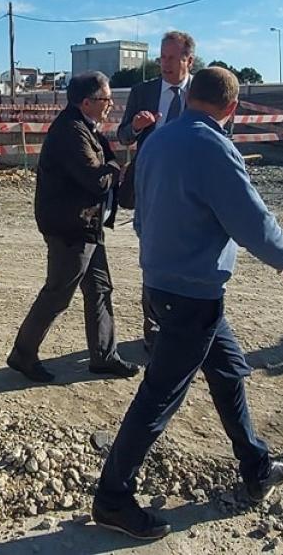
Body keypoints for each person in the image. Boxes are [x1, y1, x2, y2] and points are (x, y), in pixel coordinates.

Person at [93, 66, 283, 540]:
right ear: (231, 108)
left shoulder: (158, 140)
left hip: (167, 286)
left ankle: (256, 468)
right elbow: (252, 219)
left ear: (189, 99)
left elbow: (139, 211)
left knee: (228, 370)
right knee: (159, 397)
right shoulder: (215, 148)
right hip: (192, 294)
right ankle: (112, 498)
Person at [7, 71, 139, 383]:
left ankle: (104, 356)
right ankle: (23, 354)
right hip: (70, 228)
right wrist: (114, 169)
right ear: (87, 102)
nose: (109, 105)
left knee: (100, 289)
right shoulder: (71, 131)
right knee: (57, 294)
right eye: (105, 99)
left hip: (86, 224)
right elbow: (95, 180)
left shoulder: (85, 127)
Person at [117, 30, 196, 350]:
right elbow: (123, 137)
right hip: (151, 191)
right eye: (161, 57)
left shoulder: (202, 93)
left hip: (191, 193)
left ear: (189, 60)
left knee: (189, 261)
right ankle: (153, 330)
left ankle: (185, 326)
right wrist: (136, 126)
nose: (164, 63)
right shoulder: (143, 91)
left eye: (171, 58)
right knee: (153, 260)